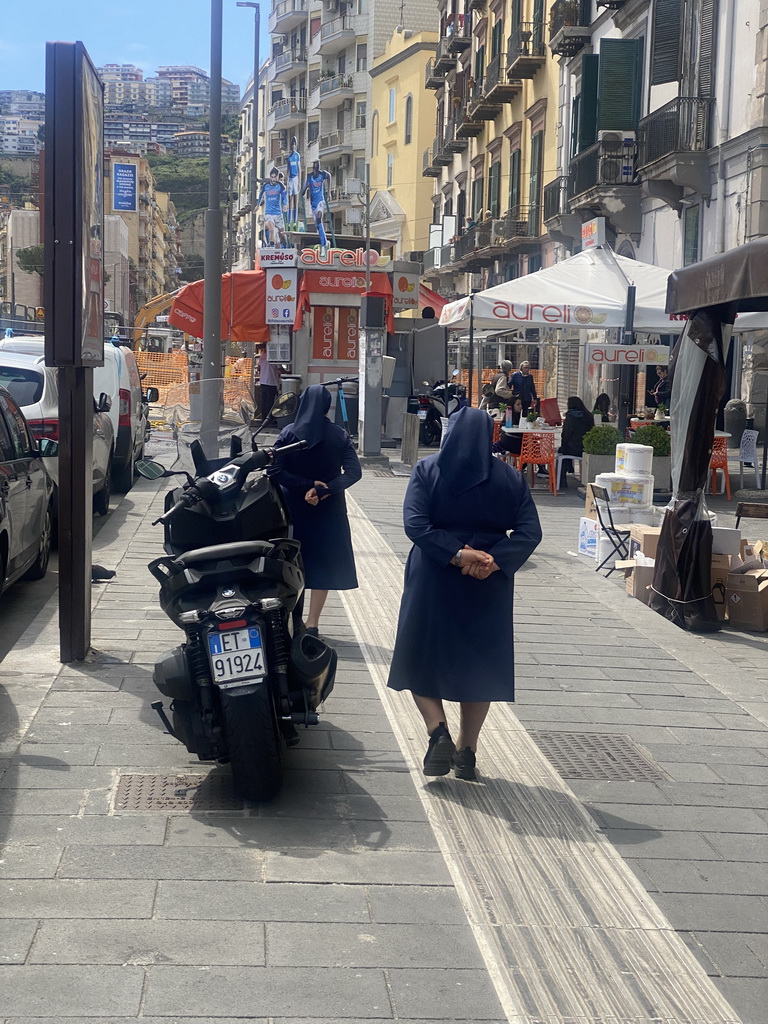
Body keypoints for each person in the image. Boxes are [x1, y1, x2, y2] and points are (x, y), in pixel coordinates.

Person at [387, 407, 542, 781]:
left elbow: (415, 525)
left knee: (420, 655)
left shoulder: (428, 470)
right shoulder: (509, 478)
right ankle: (467, 749)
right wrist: (492, 560)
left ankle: (437, 730)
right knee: (480, 664)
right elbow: (530, 532)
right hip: (487, 583)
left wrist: (456, 555)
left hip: (434, 575)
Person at [267, 386, 361, 635]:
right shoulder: (339, 435)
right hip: (328, 509)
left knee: (291, 562)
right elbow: (354, 473)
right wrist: (323, 490)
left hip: (291, 508)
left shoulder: (289, 433)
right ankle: (312, 623)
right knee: (322, 563)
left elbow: (274, 470)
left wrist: (305, 486)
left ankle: (291, 619)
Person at [557, 397, 594, 488]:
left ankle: (561, 480)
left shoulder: (570, 416)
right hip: (585, 448)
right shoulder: (588, 415)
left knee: (561, 452)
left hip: (572, 448)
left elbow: (566, 434)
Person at [301, 160, 332, 250]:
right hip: (313, 203)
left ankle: (323, 245)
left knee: (319, 217)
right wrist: (303, 190)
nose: (316, 169)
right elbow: (304, 189)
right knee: (318, 226)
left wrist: (329, 192)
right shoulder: (309, 177)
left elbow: (329, 176)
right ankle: (325, 241)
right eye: (315, 167)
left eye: (317, 167)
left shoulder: (322, 174)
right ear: (313, 168)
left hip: (320, 201)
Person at [257, 167, 288, 248]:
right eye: (272, 177)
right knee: (271, 228)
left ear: (277, 177)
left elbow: (285, 196)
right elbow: (260, 195)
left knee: (282, 233)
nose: (273, 179)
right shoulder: (266, 186)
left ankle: (285, 244)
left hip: (278, 213)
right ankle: (270, 244)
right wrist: (257, 205)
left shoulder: (280, 186)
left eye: (275, 177)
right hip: (268, 212)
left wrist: (285, 205)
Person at [492, 394, 524, 458]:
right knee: (530, 447)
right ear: (512, 405)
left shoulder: (521, 416)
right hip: (512, 442)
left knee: (533, 444)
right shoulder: (509, 415)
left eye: (521, 404)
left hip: (512, 441)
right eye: (518, 405)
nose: (520, 406)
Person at [256, 343, 281, 426]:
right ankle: (269, 421)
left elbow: (259, 368)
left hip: (263, 382)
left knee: (264, 402)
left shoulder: (262, 356)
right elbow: (280, 368)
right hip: (271, 382)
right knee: (270, 403)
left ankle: (264, 419)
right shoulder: (274, 356)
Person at [285, 137, 301, 230]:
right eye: (292, 145)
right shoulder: (289, 157)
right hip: (290, 179)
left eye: (295, 145)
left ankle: (295, 221)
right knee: (290, 201)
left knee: (296, 200)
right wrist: (287, 181)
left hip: (296, 178)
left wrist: (299, 181)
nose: (293, 147)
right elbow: (287, 169)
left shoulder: (297, 156)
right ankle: (289, 220)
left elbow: (299, 168)